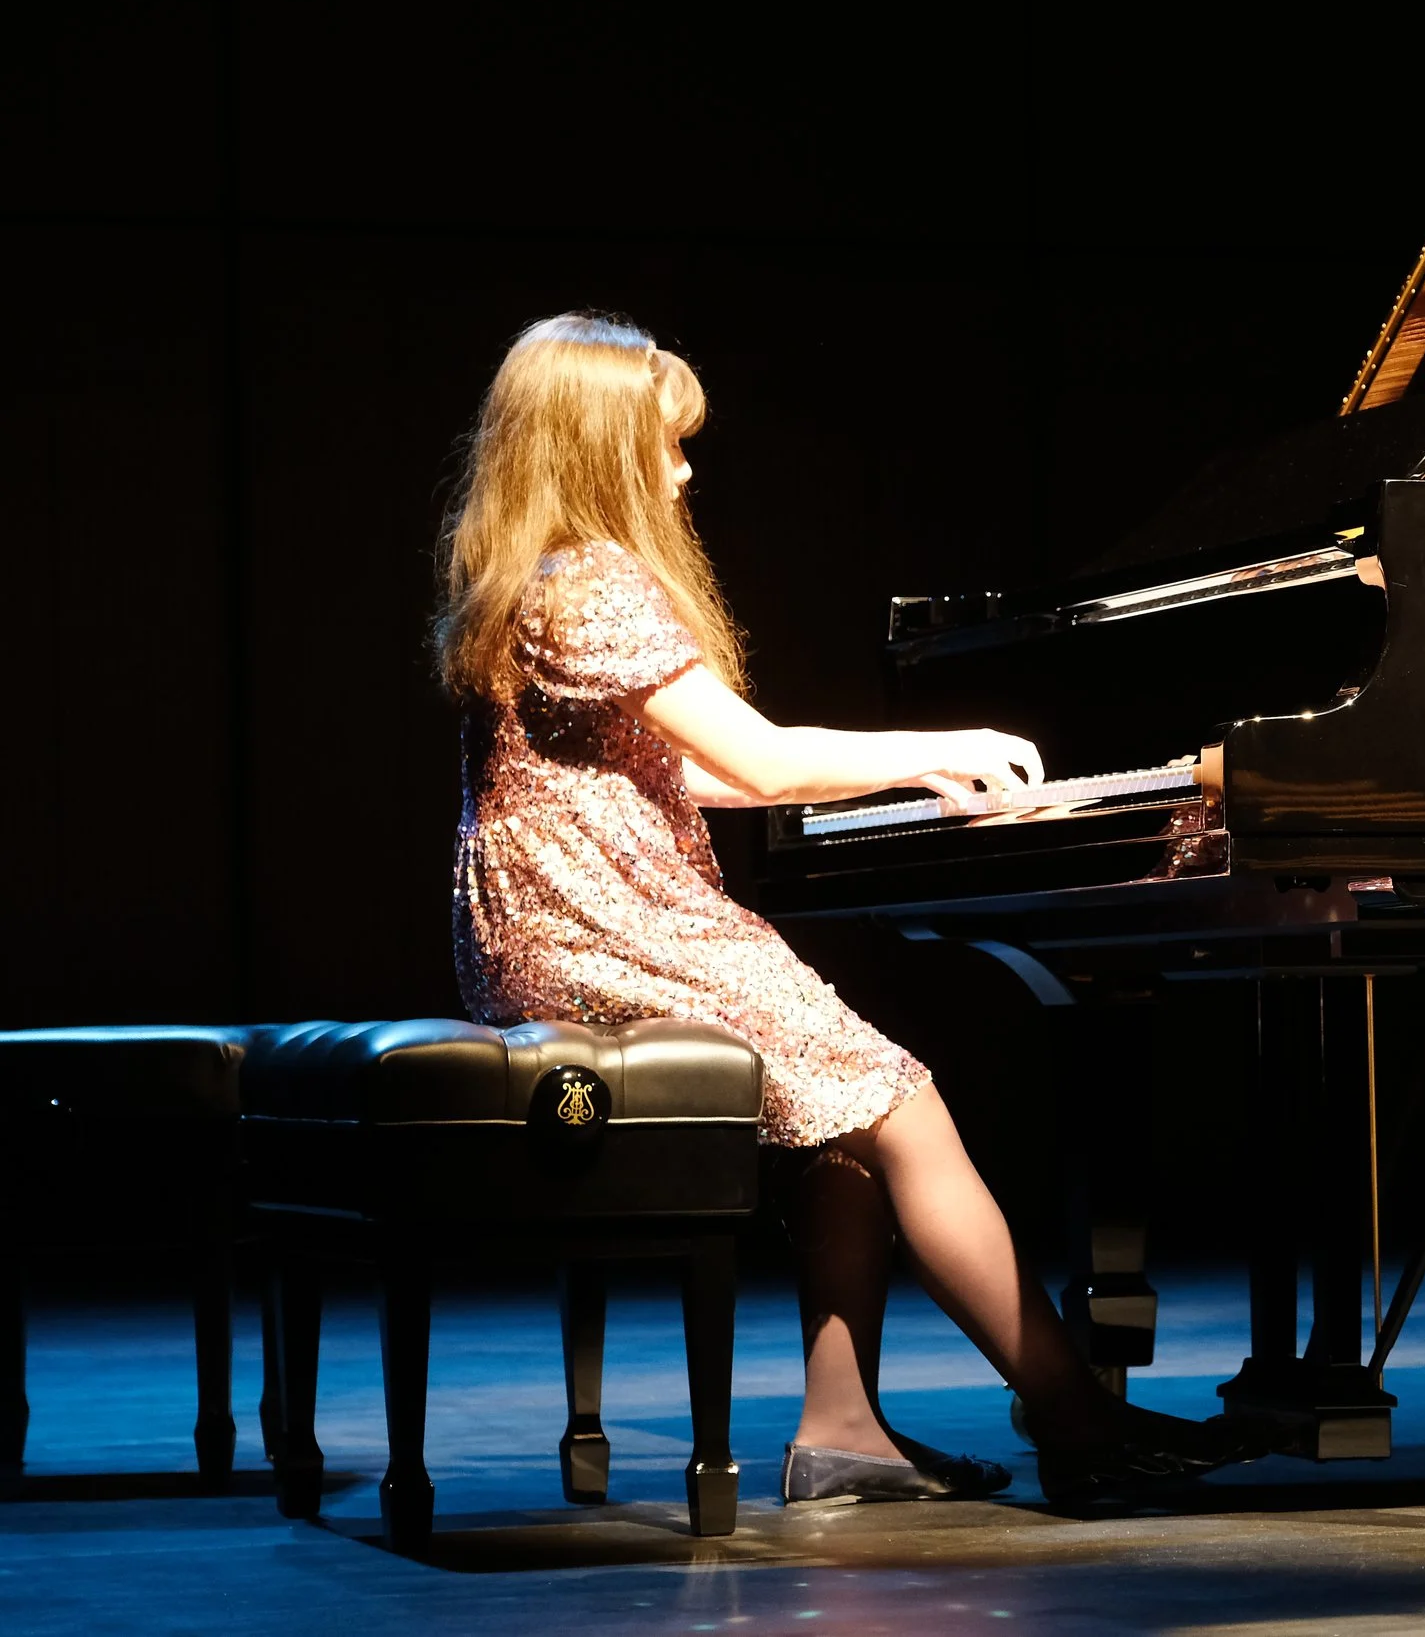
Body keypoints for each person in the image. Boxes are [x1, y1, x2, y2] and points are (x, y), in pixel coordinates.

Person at [434, 312, 1244, 1506]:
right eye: (667, 443)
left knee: (842, 1118)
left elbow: (683, 769)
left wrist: (885, 781)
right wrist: (938, 747)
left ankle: (844, 1431)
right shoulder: (594, 580)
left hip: (545, 930)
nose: (684, 470)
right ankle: (1077, 1417)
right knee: (905, 1103)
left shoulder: (529, 575)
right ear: (601, 448)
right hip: (609, 925)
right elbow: (760, 761)